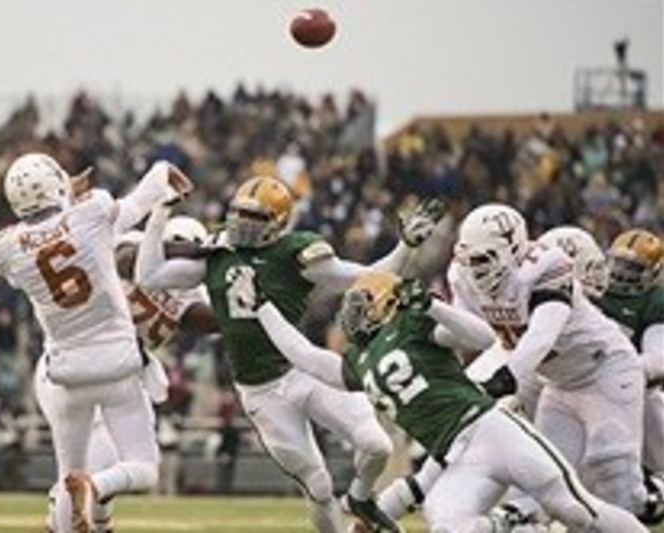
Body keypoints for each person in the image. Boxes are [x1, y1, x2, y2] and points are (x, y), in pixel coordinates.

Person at [136, 175, 444, 532]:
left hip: (303, 369)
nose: (242, 224)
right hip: (262, 392)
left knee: (377, 445)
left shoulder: (295, 255)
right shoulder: (218, 255)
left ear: (279, 223)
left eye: (255, 217)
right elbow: (150, 276)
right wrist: (159, 212)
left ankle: (360, 499)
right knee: (319, 485)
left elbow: (367, 277)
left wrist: (406, 247)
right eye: (239, 213)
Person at [253, 271, 647, 532]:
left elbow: (480, 336)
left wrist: (432, 305)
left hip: (490, 427)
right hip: (457, 454)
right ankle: (506, 526)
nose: (355, 313)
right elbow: (303, 356)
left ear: (389, 304)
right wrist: (263, 309)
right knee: (447, 525)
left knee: (575, 510)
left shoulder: (413, 323)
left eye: (364, 303)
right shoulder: (358, 362)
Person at [0, 153, 191, 533]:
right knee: (143, 468)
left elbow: (37, 240)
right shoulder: (91, 211)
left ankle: (68, 511)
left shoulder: (6, 248)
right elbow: (136, 204)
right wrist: (161, 169)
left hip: (64, 372)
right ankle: (97, 487)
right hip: (116, 365)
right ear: (57, 184)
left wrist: (63, 203)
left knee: (68, 476)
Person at [448, 204, 648, 521]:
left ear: (513, 248)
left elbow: (542, 335)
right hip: (558, 384)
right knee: (548, 482)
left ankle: (653, 498)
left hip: (605, 369)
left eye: (483, 259)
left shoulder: (547, 266)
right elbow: (468, 333)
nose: (475, 269)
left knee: (612, 471)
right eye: (468, 259)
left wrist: (502, 381)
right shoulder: (462, 277)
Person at [35, 214, 217, 532]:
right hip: (73, 364)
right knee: (91, 468)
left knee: (108, 464)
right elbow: (126, 260)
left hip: (107, 376)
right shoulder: (132, 246)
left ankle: (90, 519)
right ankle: (63, 517)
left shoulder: (190, 298)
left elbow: (216, 321)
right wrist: (188, 251)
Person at [539, 225, 664, 524]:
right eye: (618, 264)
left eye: (633, 268)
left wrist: (618, 369)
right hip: (576, 387)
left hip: (638, 392)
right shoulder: (591, 288)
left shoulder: (655, 301)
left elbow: (659, 359)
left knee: (617, 472)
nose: (621, 274)